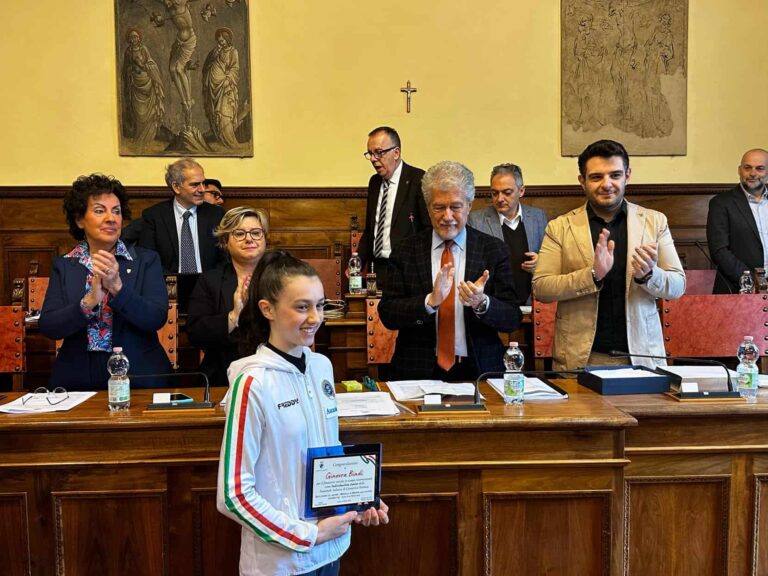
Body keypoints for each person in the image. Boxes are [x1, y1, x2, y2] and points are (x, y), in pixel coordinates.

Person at [217, 250, 389, 576]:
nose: (315, 318)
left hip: (331, 550)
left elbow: (327, 451)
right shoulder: (252, 382)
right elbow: (233, 494)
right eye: (301, 307)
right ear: (267, 309)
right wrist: (308, 535)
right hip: (282, 562)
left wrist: (359, 499)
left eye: (320, 305)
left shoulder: (321, 367)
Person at [532, 139, 685, 370]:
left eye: (615, 175)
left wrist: (648, 275)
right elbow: (542, 288)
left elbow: (677, 286)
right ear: (582, 181)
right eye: (596, 177)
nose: (607, 184)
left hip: (642, 357)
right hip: (580, 359)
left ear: (627, 176)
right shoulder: (560, 227)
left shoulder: (654, 222)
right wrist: (592, 275)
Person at [378, 161, 522, 381]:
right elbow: (388, 314)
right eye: (439, 207)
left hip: (480, 371)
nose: (447, 216)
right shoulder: (406, 250)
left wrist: (482, 303)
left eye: (455, 207)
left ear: (469, 205)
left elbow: (512, 318)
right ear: (428, 208)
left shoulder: (493, 249)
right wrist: (429, 302)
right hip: (417, 372)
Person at [39, 174, 172, 391]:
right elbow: (49, 326)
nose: (111, 218)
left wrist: (118, 288)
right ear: (79, 220)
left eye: (116, 211)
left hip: (140, 376)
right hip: (77, 380)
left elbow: (155, 318)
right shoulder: (64, 265)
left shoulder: (146, 260)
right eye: (100, 211)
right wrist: (89, 302)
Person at [187, 206, 268, 388]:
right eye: (239, 234)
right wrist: (234, 315)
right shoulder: (210, 280)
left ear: (265, 238)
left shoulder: (283, 274)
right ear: (225, 241)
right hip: (223, 372)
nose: (249, 239)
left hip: (274, 370)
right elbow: (196, 333)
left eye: (256, 233)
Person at [357, 126, 430, 289]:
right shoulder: (374, 183)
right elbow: (370, 230)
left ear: (396, 152)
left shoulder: (418, 179)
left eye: (379, 152)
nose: (373, 159)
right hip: (378, 269)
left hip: (408, 270)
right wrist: (358, 262)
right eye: (370, 154)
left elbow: (427, 230)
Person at [468, 163, 548, 305]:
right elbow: (471, 265)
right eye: (495, 193)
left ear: (521, 191)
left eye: (507, 192)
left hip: (532, 302)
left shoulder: (538, 217)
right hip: (495, 302)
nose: (499, 199)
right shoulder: (476, 220)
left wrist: (541, 263)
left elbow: (551, 258)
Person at [138, 158, 225, 273]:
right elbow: (148, 258)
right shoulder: (154, 216)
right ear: (176, 187)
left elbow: (225, 257)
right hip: (167, 282)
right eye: (195, 185)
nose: (202, 189)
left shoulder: (216, 215)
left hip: (208, 281)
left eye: (203, 183)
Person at [706, 148, 768, 294]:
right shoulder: (720, 203)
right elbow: (719, 250)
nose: (753, 173)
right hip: (738, 289)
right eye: (747, 168)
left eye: (760, 168)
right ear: (739, 170)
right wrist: (752, 282)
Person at [121, 28, 165, 147]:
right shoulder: (128, 52)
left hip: (146, 82)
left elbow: (151, 63)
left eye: (135, 37)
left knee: (149, 111)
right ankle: (139, 135)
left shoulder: (143, 49)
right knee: (138, 112)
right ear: (129, 39)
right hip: (135, 85)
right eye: (131, 37)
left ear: (139, 38)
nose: (134, 39)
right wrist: (131, 69)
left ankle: (149, 136)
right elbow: (126, 67)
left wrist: (142, 64)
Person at [203, 28, 241, 149]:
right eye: (219, 41)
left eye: (223, 41)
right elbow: (207, 65)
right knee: (215, 114)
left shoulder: (233, 52)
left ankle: (230, 141)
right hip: (213, 88)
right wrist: (215, 54)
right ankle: (219, 139)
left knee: (225, 113)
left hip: (225, 87)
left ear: (227, 39)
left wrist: (228, 80)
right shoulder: (216, 51)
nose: (221, 43)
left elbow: (235, 68)